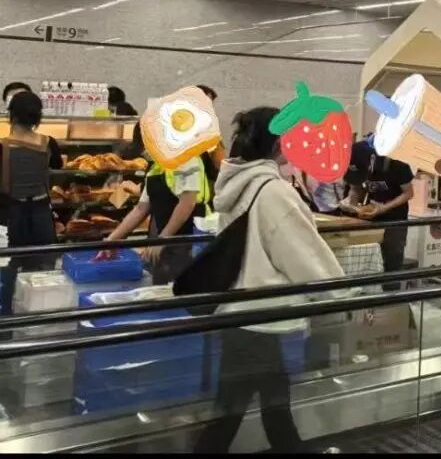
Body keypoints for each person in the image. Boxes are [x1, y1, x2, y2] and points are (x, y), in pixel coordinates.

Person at [193, 107, 346, 454]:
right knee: (236, 410)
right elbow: (303, 256)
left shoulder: (235, 185)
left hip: (239, 313)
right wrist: (341, 295)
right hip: (264, 316)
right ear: (279, 143)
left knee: (263, 403)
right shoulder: (275, 192)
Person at [96, 125, 212, 285]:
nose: (144, 152)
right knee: (161, 289)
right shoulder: (156, 167)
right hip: (167, 241)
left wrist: (162, 239)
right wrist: (111, 240)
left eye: (147, 146)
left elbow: (187, 203)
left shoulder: (186, 159)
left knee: (183, 290)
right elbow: (141, 209)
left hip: (190, 242)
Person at [0, 92, 64, 315]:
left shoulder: (2, 146)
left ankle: (9, 314)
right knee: (43, 263)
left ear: (12, 115)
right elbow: (58, 165)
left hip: (12, 212)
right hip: (41, 211)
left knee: (12, 263)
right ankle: (40, 312)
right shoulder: (48, 142)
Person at [341, 141, 414, 287]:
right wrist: (351, 204)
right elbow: (356, 189)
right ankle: (371, 295)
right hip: (371, 217)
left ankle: (391, 296)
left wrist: (384, 207)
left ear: (372, 160)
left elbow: (408, 193)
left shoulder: (396, 163)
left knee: (392, 260)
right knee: (369, 259)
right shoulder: (355, 162)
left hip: (395, 219)